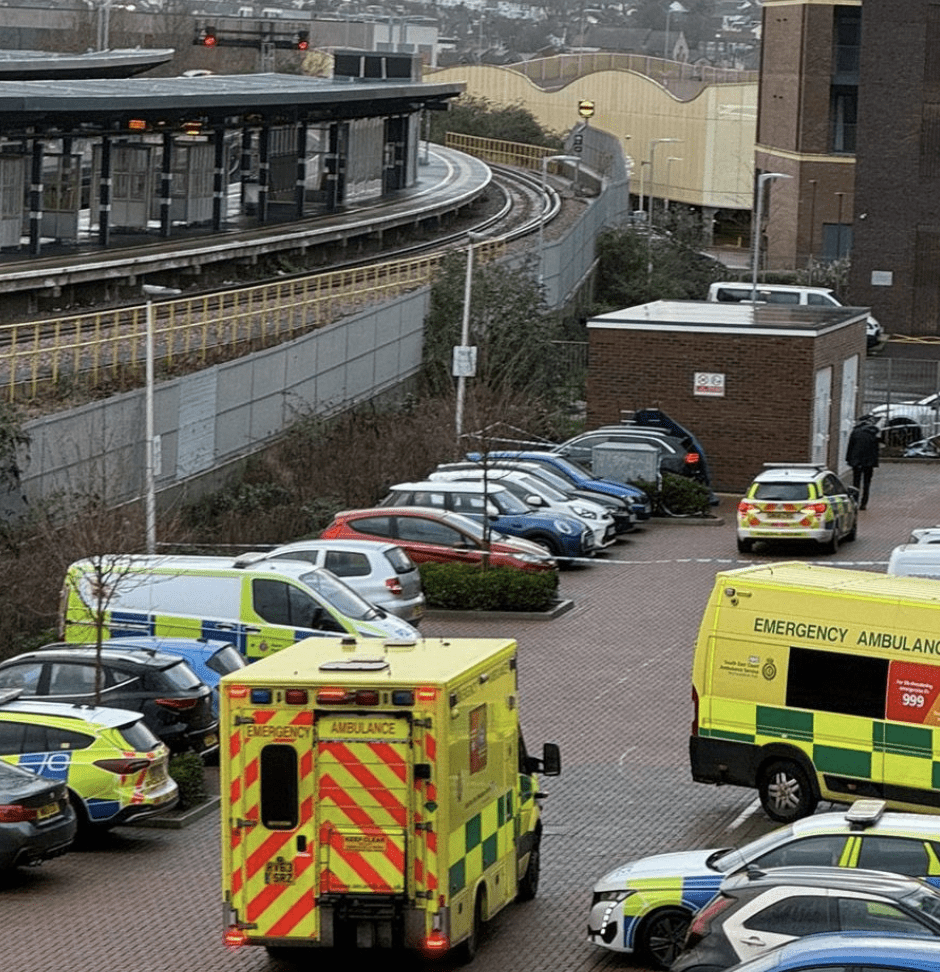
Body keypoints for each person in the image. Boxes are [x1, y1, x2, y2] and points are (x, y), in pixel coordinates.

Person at [845, 415, 880, 510]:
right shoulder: (874, 433)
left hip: (856, 461)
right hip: (869, 463)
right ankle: (864, 503)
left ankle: (855, 501)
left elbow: (850, 447)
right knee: (867, 483)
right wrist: (874, 462)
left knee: (856, 483)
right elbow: (876, 450)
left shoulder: (855, 432)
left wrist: (848, 459)